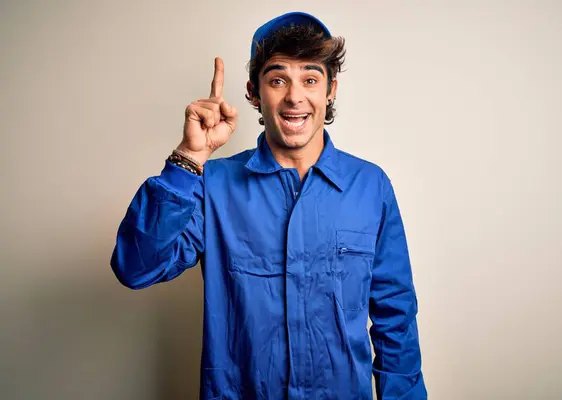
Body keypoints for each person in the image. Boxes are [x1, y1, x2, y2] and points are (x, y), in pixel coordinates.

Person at [110, 11, 427, 400]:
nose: (295, 96)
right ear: (254, 92)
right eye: (278, 80)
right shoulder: (213, 184)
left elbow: (395, 319)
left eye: (310, 79)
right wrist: (188, 157)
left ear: (330, 91)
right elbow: (136, 267)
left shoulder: (371, 186)